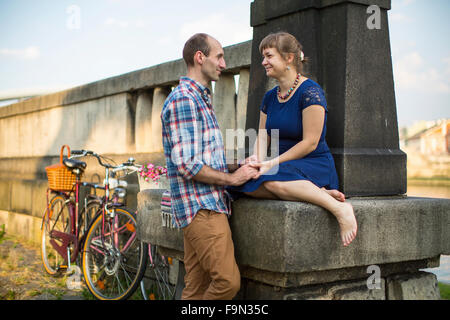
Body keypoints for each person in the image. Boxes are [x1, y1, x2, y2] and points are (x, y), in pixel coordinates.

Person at [227, 32, 358, 247]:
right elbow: (263, 135)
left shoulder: (310, 92)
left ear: (288, 58)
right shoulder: (270, 97)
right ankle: (318, 193)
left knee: (274, 180)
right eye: (263, 57)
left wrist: (272, 163)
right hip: (283, 165)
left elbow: (311, 142)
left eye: (269, 56)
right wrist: (257, 160)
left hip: (313, 162)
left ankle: (340, 209)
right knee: (240, 182)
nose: (263, 62)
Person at [160, 33, 259, 300]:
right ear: (199, 57)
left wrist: (238, 165)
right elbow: (188, 165)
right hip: (201, 207)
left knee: (196, 289)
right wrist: (234, 179)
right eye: (219, 56)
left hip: (205, 205)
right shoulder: (185, 99)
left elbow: (202, 159)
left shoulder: (200, 98)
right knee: (227, 283)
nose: (224, 64)